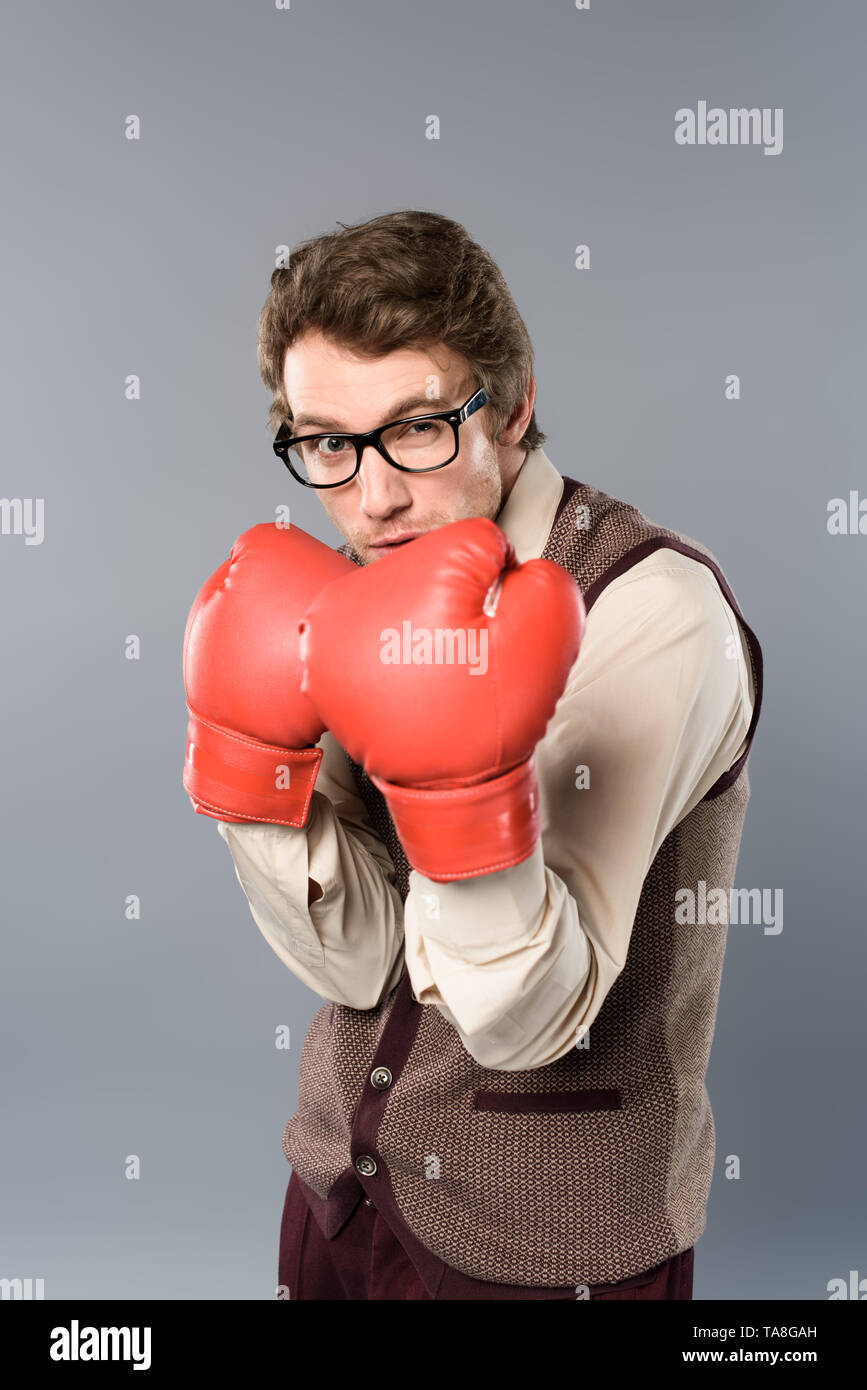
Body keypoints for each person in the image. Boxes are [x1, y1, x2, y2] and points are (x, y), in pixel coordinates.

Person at [181, 209, 762, 1300]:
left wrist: (460, 791)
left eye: (417, 428)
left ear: (516, 404)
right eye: (327, 443)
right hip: (337, 1201)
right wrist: (252, 776)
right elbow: (356, 965)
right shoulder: (358, 596)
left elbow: (526, 1020)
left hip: (551, 1251)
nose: (374, 494)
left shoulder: (652, 610)